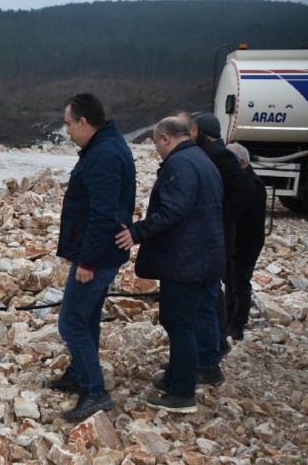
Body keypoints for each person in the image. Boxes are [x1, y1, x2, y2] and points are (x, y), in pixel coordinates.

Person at [115, 117, 224, 414]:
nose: (157, 151)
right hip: (205, 257)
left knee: (179, 324)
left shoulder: (181, 164)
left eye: (155, 144)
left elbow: (173, 209)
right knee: (184, 321)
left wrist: (135, 233)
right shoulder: (202, 158)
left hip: (187, 262)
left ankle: (182, 394)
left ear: (165, 138)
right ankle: (176, 376)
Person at [49, 93, 136, 421]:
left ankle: (95, 392)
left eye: (69, 123)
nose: (67, 130)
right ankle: (79, 374)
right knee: (86, 318)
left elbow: (103, 213)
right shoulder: (106, 146)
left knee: (71, 321)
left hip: (97, 255)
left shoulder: (103, 154)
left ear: (84, 122)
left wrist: (86, 261)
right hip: (103, 252)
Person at [175, 111, 254, 384]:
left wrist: (218, 215)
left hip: (214, 239)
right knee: (208, 299)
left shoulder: (219, 156)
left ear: (195, 131)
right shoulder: (207, 154)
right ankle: (205, 354)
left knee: (206, 303)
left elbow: (246, 188)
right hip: (210, 240)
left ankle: (209, 360)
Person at [224, 142, 267, 340]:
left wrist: (234, 244)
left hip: (246, 244)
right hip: (235, 242)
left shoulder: (253, 185)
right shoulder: (242, 180)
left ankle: (237, 324)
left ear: (242, 162)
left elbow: (249, 222)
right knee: (231, 283)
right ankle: (228, 320)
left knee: (240, 285)